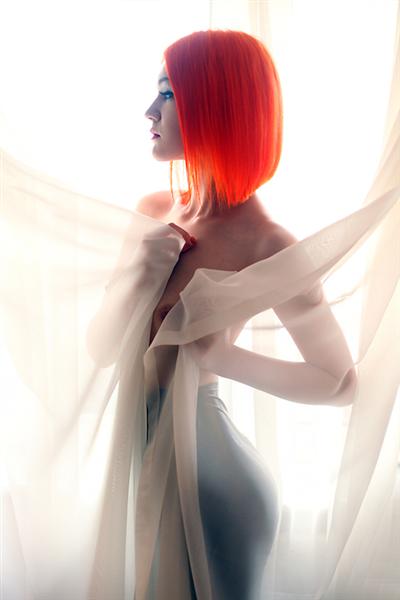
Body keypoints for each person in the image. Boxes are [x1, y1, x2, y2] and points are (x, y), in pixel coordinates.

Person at [126, 29, 357, 599]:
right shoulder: (152, 212)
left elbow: (340, 382)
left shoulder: (267, 243)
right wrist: (140, 275)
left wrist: (220, 355)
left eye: (168, 93)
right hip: (144, 468)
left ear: (217, 106)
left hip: (218, 489)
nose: (149, 110)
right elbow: (100, 351)